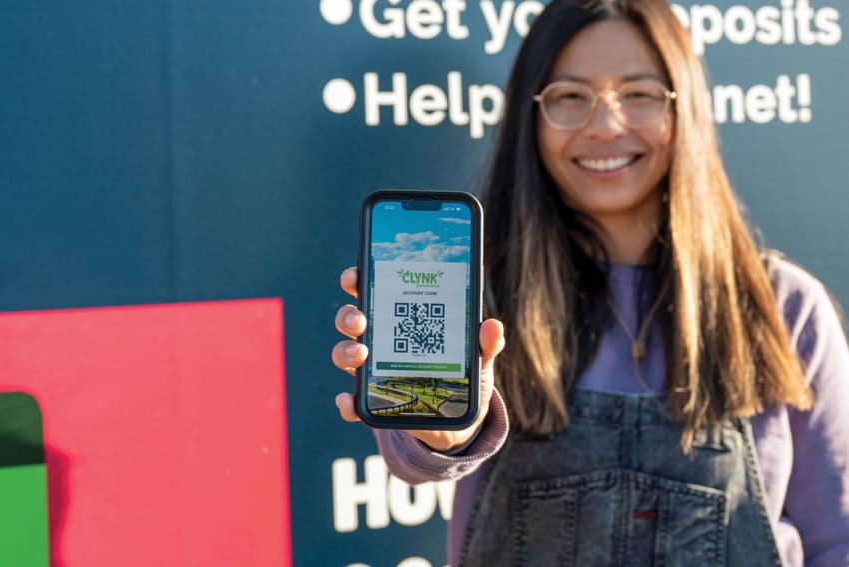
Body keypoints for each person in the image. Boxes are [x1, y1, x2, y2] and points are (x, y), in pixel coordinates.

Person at [332, 0, 849, 565]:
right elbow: (417, 457)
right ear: (530, 117)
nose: (604, 125)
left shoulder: (785, 306)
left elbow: (835, 540)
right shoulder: (475, 290)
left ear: (685, 110)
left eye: (639, 94)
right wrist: (444, 432)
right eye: (570, 97)